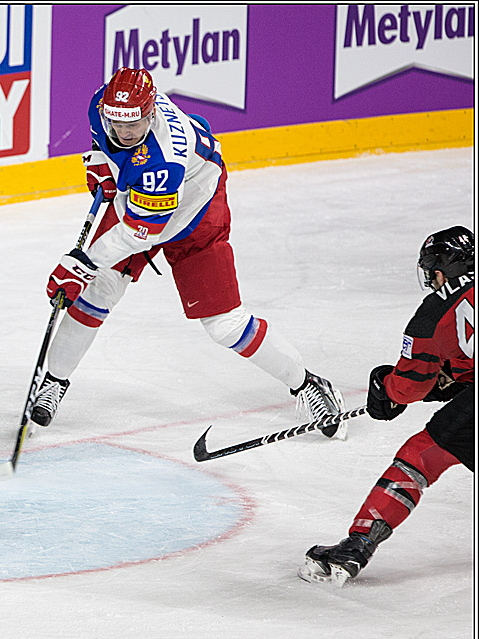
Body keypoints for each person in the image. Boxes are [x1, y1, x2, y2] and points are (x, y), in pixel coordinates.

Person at [37, 67, 346, 436]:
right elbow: (106, 147)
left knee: (225, 325)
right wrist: (103, 163)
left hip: (196, 211)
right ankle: (53, 382)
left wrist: (81, 264)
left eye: (133, 126)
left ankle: (308, 383)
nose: (123, 133)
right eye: (116, 124)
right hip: (145, 201)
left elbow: (139, 233)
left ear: (150, 115)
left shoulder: (163, 159)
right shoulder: (102, 106)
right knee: (97, 292)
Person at [299, 226, 474, 587]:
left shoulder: (434, 312)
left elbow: (408, 386)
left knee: (422, 455)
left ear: (442, 269)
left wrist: (387, 389)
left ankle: (358, 544)